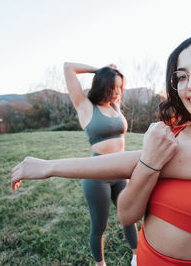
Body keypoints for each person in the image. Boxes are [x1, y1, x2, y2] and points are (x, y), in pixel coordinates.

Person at [11, 34, 191, 265]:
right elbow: (126, 214)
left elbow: (135, 161)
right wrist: (148, 163)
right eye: (182, 76)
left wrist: (50, 166)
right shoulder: (170, 134)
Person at [46, 62, 139, 266]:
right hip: (97, 176)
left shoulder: (115, 105)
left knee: (129, 217)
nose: (117, 93)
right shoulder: (85, 106)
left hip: (121, 172)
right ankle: (100, 264)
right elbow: (68, 67)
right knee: (100, 226)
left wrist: (113, 74)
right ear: (102, 85)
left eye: (119, 88)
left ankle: (138, 257)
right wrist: (99, 70)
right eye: (113, 88)